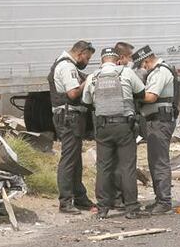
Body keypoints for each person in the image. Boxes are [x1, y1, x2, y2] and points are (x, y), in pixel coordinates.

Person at [82, 46, 146, 219]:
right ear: (117, 59)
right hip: (124, 126)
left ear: (101, 61)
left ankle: (103, 208)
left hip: (103, 127)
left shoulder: (92, 77)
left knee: (103, 168)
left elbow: (86, 101)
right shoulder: (126, 73)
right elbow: (141, 92)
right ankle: (131, 208)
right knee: (127, 167)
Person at [49, 40, 96, 215]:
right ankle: (66, 201)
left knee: (75, 159)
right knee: (69, 159)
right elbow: (73, 93)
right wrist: (89, 80)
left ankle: (80, 197)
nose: (87, 61)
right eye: (87, 57)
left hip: (69, 117)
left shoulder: (62, 64)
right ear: (80, 53)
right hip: (69, 118)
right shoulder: (67, 67)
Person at [133, 45, 179, 215]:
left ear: (147, 60)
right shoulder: (157, 71)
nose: (143, 69)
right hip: (156, 121)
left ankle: (164, 201)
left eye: (143, 66)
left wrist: (134, 93)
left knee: (160, 161)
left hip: (161, 121)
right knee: (155, 161)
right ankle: (160, 199)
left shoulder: (161, 71)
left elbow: (151, 96)